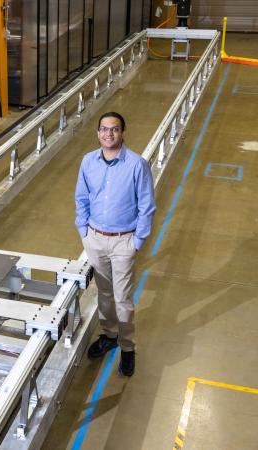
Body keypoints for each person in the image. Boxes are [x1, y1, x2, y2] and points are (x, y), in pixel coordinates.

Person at [74, 112, 155, 376]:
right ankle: (109, 334)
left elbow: (146, 205)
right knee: (104, 293)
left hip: (123, 241)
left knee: (123, 299)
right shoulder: (88, 161)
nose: (109, 134)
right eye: (104, 129)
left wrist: (137, 240)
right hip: (95, 239)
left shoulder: (136, 164)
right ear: (98, 133)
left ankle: (127, 347)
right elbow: (82, 198)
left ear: (122, 133)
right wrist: (84, 230)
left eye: (115, 129)